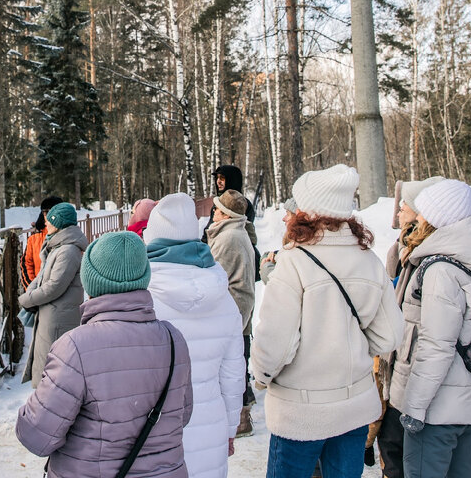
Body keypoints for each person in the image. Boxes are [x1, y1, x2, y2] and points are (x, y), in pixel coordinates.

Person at [251, 165, 404, 478]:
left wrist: (261, 375)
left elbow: (276, 342)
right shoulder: (368, 260)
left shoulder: (293, 260)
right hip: (353, 407)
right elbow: (389, 335)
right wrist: (354, 347)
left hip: (300, 411)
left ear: (307, 209)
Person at [16, 231, 194, 478]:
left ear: (92, 282)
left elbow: (37, 437)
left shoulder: (75, 347)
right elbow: (181, 416)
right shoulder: (174, 340)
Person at [387, 179, 471, 478]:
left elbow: (436, 345)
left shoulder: (442, 269)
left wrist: (414, 408)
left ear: (439, 217)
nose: (417, 217)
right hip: (460, 402)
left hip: (434, 408)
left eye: (424, 212)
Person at [145, 192, 245, 478]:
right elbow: (233, 373)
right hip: (210, 427)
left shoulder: (141, 296)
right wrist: (229, 428)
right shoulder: (223, 296)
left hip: (154, 433)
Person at [378, 177, 443, 478]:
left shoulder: (425, 255)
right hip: (402, 357)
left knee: (396, 443)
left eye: (405, 204)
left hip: (411, 362)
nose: (400, 209)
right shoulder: (406, 247)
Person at [206, 189, 258, 437]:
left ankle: (239, 420)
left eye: (217, 209)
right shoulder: (233, 233)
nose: (213, 212)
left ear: (226, 215)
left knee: (228, 369)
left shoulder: (228, 239)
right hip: (236, 310)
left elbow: (216, 280)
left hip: (231, 311)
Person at [19, 202, 87, 386]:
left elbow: (54, 286)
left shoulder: (68, 250)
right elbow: (42, 277)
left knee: (53, 375)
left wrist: (27, 299)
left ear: (59, 223)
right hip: (52, 315)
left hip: (58, 319)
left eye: (49, 221)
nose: (45, 223)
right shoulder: (58, 247)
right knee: (47, 369)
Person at [23, 196, 63, 285]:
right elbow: (26, 263)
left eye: (50, 212)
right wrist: (32, 288)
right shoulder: (34, 238)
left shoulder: (69, 236)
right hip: (38, 292)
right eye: (45, 212)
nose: (47, 216)